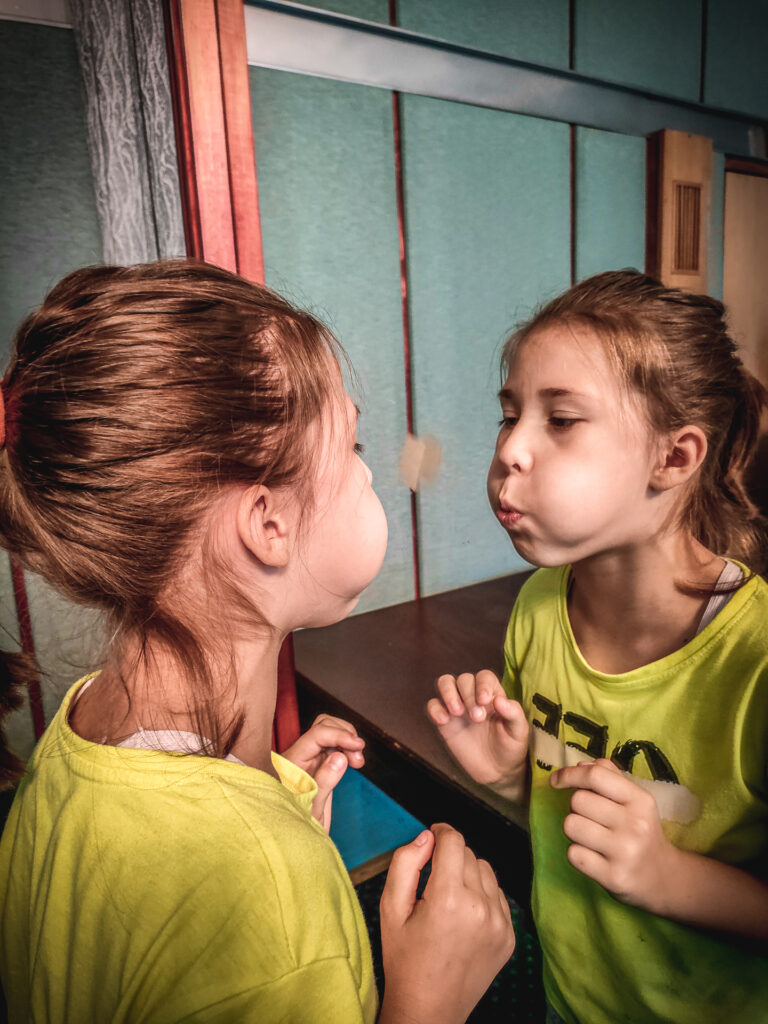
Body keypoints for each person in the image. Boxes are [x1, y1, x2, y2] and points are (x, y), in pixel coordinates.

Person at [0, 260, 515, 1023]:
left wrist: (262, 803)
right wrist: (426, 1003)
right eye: (354, 447)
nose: (370, 474)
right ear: (268, 524)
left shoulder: (78, 727)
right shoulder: (268, 894)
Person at [428, 270, 768, 1024]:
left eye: (561, 420)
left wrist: (667, 876)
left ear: (674, 459)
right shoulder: (539, 606)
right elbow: (566, 820)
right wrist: (514, 778)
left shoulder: (756, 663)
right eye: (509, 415)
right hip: (569, 998)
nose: (511, 450)